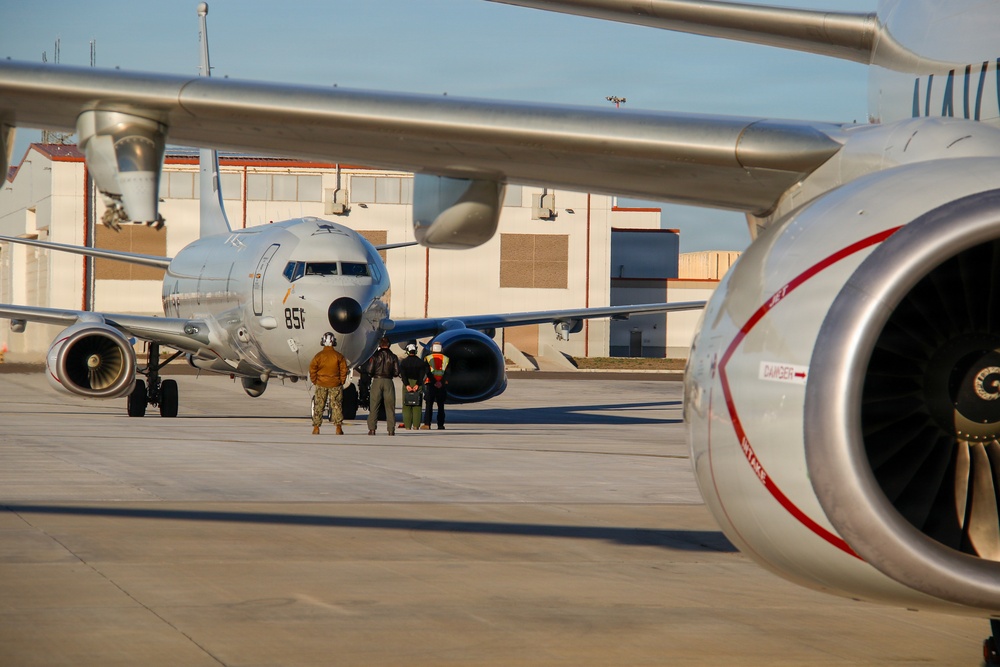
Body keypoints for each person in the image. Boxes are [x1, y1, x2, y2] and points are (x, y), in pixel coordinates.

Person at [309, 331, 349, 435]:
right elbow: (344, 369)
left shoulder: (318, 356)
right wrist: (341, 381)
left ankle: (316, 427)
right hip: (335, 384)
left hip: (321, 384)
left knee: (319, 406)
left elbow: (312, 369)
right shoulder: (338, 356)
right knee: (336, 406)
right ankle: (338, 427)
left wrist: (315, 380)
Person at [366, 337, 399, 435]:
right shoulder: (393, 357)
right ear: (389, 345)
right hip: (388, 381)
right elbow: (397, 372)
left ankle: (372, 429)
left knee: (374, 406)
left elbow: (369, 370)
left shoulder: (375, 356)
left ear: (380, 345)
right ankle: (391, 429)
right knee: (390, 407)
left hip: (377, 380)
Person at [399, 341, 428, 430]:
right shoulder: (420, 362)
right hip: (417, 383)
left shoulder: (404, 362)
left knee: (407, 406)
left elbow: (403, 375)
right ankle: (416, 425)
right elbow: (422, 375)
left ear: (407, 351)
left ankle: (407, 426)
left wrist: (407, 385)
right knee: (417, 406)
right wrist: (417, 385)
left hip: (407, 383)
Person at [422, 341, 449, 430]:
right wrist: (440, 382)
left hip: (431, 384)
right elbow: (447, 373)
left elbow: (427, 372)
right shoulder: (446, 359)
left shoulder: (428, 358)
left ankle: (427, 424)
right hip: (441, 385)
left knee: (429, 405)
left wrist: (434, 382)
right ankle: (440, 425)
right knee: (441, 406)